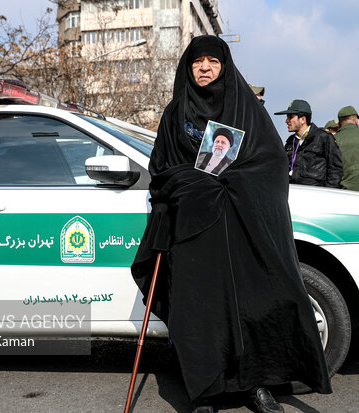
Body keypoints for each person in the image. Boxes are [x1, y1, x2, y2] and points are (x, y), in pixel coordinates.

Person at [131, 35, 331, 413]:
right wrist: (194, 183)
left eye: (212, 61)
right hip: (194, 231)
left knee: (254, 304)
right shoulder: (176, 114)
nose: (204, 68)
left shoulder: (247, 112)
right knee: (200, 309)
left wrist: (232, 182)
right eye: (196, 62)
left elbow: (271, 166)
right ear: (187, 67)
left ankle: (258, 386)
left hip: (244, 225)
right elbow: (161, 170)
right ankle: (205, 391)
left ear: (225, 66)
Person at [275, 99, 343, 187]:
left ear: (303, 119)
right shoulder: (290, 142)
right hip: (294, 193)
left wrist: (326, 193)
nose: (287, 121)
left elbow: (336, 169)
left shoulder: (323, 137)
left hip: (316, 195)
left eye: (290, 117)